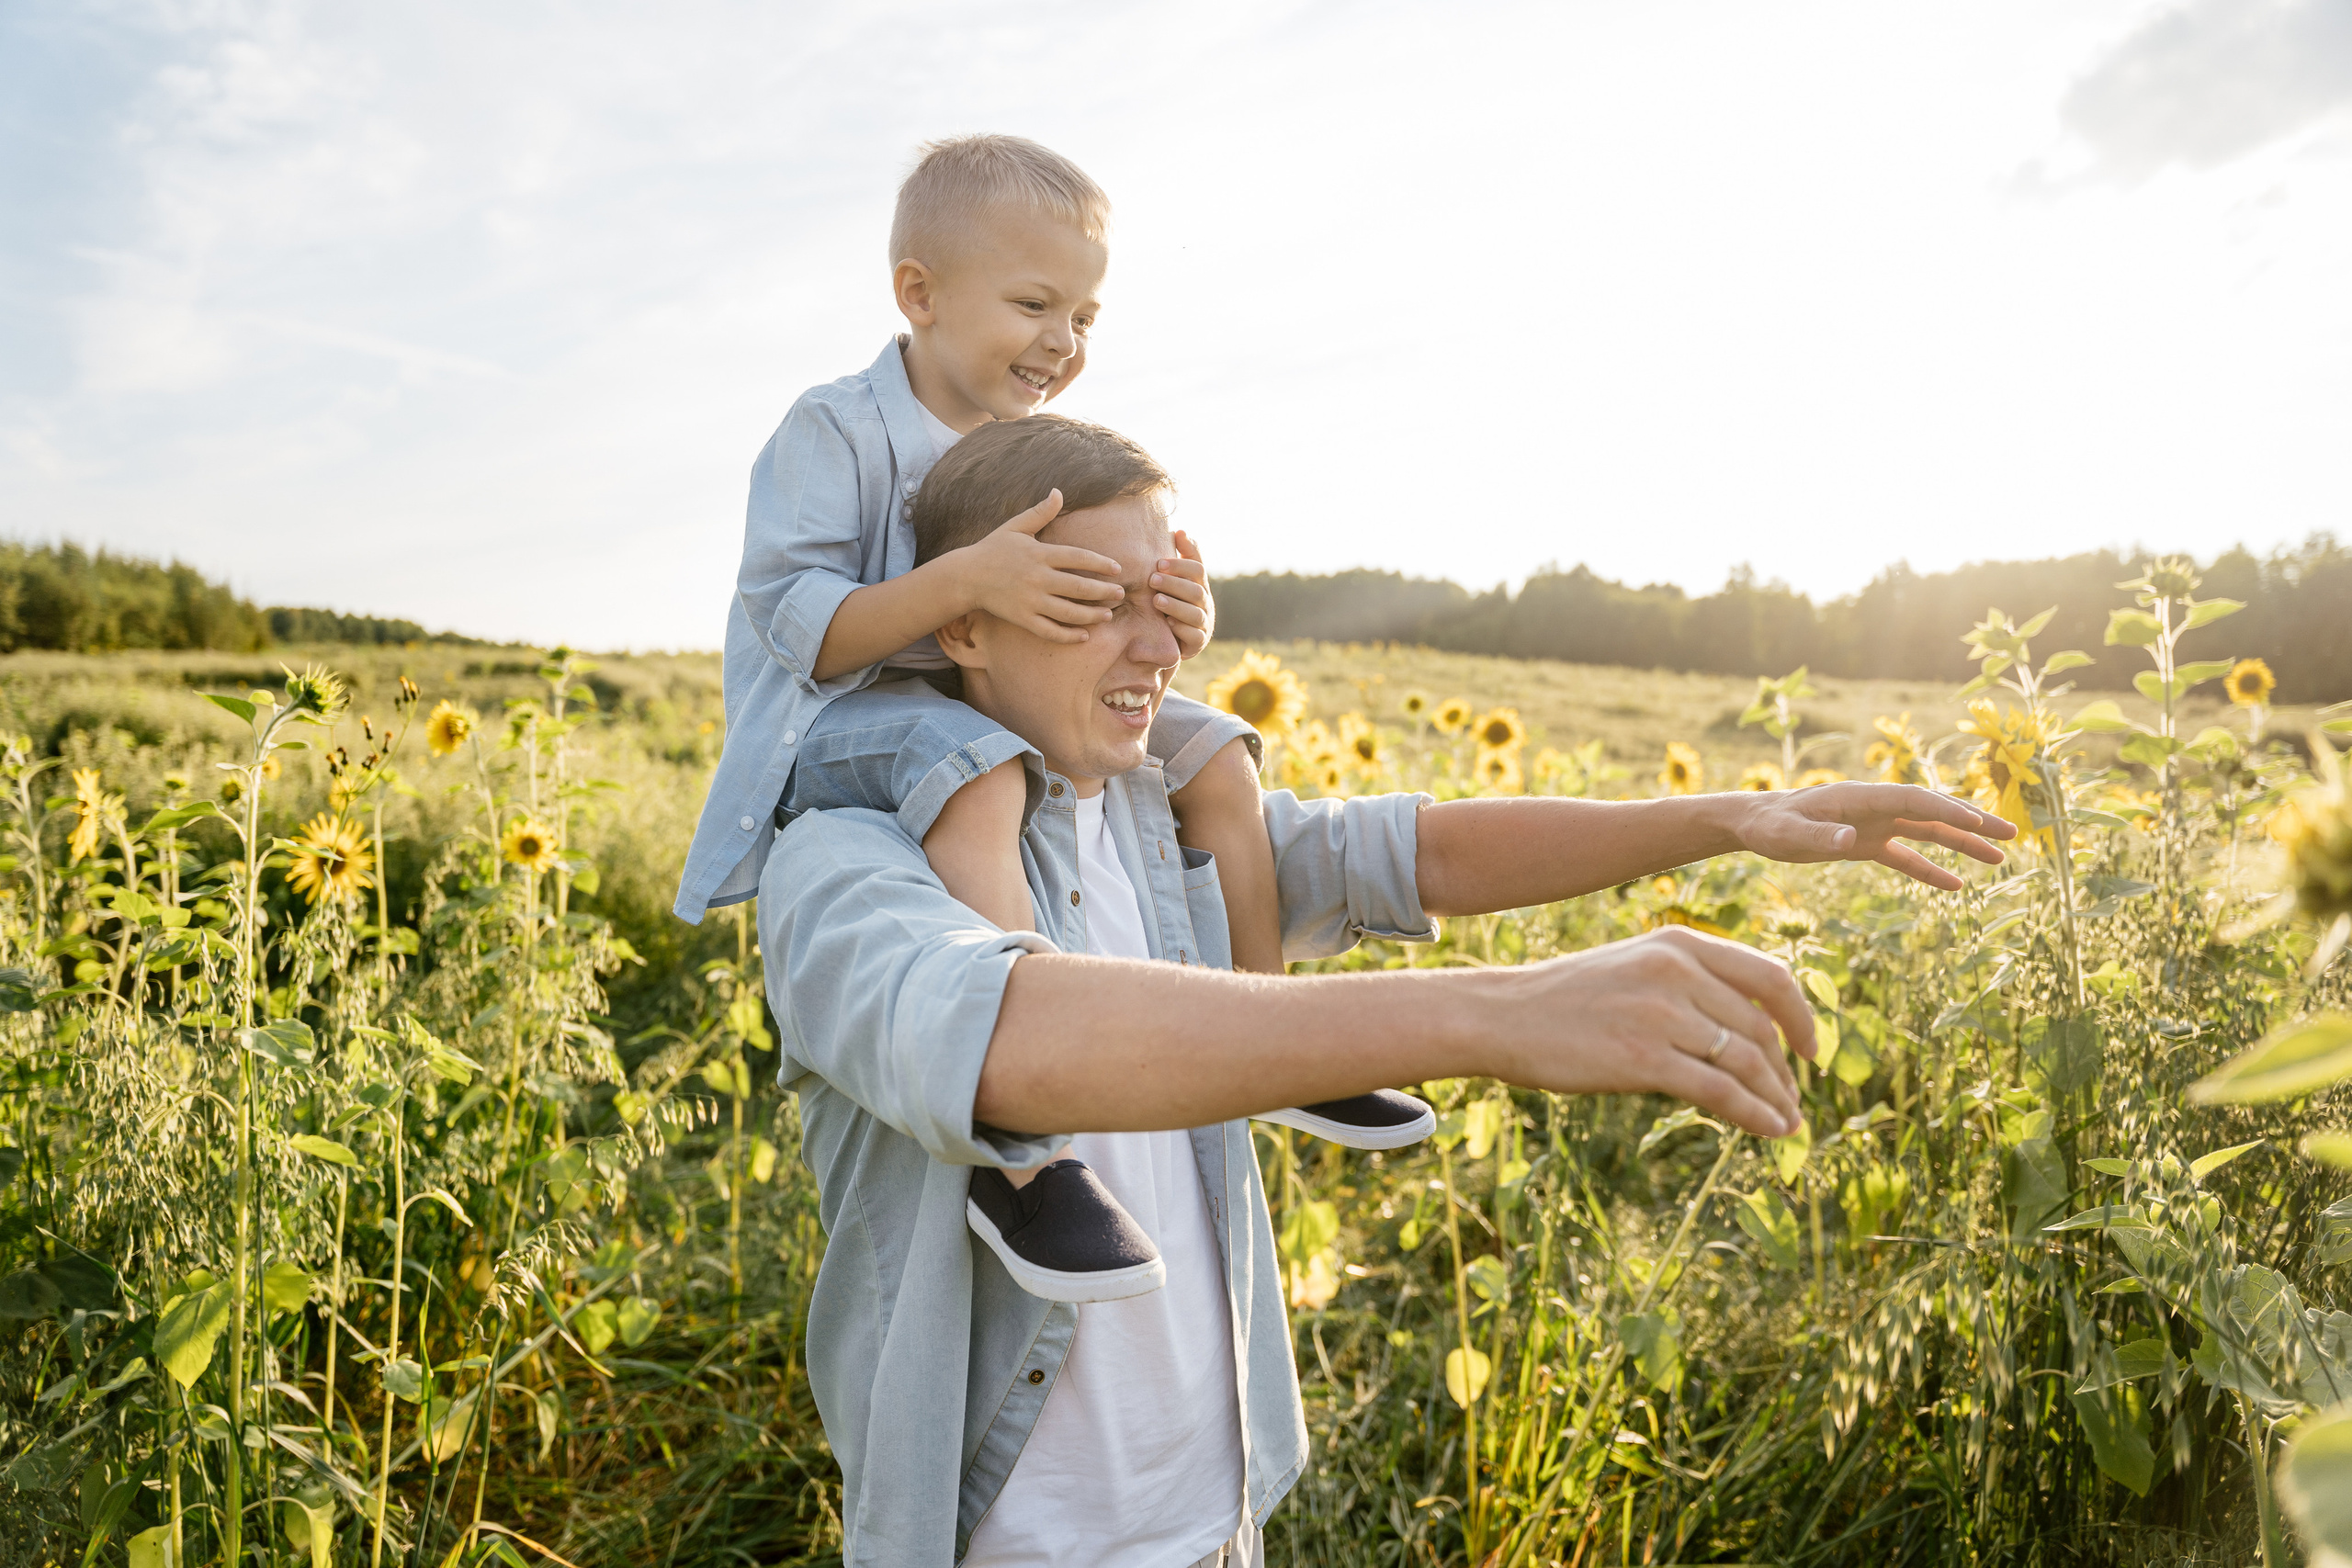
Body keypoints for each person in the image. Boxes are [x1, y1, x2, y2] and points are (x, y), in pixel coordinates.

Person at [758, 415, 2018, 1565]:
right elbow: (1002, 1032)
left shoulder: (1158, 820)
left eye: (1166, 600)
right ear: (964, 623)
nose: (1158, 646)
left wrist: (1730, 816)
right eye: (1092, 601)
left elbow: (1417, 851)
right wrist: (1500, 1012)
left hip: (1216, 1517)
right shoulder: (842, 865)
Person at [674, 134, 1430, 1307]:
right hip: (835, 725)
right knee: (980, 771)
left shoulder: (1018, 449)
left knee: (1216, 758)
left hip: (984, 699)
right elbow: (796, 623)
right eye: (1033, 305)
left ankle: (1283, 1029)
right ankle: (1027, 1160)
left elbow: (1084, 605)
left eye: (1084, 317)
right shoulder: (837, 429)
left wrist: (1174, 607)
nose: (1063, 343)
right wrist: (966, 581)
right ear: (918, 293)